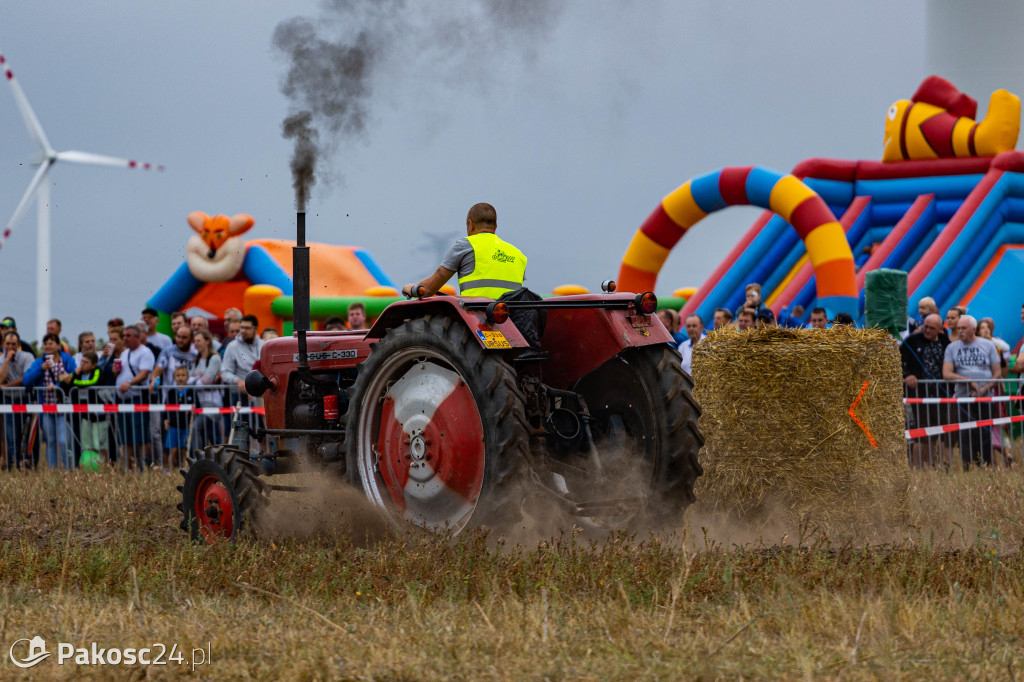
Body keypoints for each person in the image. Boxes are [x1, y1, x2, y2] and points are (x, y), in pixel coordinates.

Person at [401, 203, 544, 352]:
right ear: (495, 225)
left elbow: (429, 289)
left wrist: (411, 289)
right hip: (513, 325)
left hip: (479, 321)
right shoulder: (517, 254)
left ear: (470, 224)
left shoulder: (465, 246)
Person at [943, 314, 1000, 469]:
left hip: (985, 398)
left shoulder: (988, 346)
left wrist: (983, 389)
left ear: (973, 329)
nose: (960, 331)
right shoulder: (952, 347)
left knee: (985, 434)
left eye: (963, 328)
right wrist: (968, 381)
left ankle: (987, 466)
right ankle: (967, 467)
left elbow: (997, 373)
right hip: (963, 398)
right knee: (965, 434)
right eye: (958, 328)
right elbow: (946, 373)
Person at [900, 314, 951, 467]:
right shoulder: (912, 341)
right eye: (925, 326)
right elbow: (897, 361)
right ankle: (917, 468)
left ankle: (935, 466)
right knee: (921, 434)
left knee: (939, 433)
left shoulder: (944, 342)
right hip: (919, 395)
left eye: (931, 328)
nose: (927, 330)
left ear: (940, 330)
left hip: (941, 395)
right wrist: (907, 375)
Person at [22, 333, 76, 470]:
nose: (47, 346)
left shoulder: (67, 360)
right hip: (46, 408)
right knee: (50, 441)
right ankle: (53, 470)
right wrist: (41, 369)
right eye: (45, 343)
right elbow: (26, 380)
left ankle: (67, 469)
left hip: (63, 407)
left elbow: (73, 377)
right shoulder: (39, 362)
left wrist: (58, 387)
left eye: (51, 343)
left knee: (64, 441)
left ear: (58, 346)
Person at [114, 324, 155, 471]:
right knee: (127, 438)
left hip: (137, 400)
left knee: (141, 437)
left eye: (128, 335)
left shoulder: (145, 352)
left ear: (137, 336)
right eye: (124, 336)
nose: (125, 338)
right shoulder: (125, 353)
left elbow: (144, 373)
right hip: (123, 401)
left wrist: (129, 383)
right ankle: (130, 470)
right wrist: (115, 372)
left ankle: (145, 467)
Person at [66, 350, 109, 466]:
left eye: (86, 362)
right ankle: (90, 468)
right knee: (87, 446)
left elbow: (93, 383)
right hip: (84, 415)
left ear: (93, 365)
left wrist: (74, 381)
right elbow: (66, 384)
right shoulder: (78, 373)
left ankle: (105, 467)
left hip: (98, 416)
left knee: (99, 445)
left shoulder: (98, 372)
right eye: (82, 361)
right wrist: (75, 375)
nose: (82, 364)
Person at [0, 330, 35, 469]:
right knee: (11, 434)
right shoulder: (2, 359)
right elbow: (0, 379)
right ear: (3, 344)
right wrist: (7, 359)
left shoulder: (27, 356)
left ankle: (26, 462)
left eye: (13, 344)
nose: (11, 347)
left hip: (25, 399)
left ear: (18, 345)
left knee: (25, 434)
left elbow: (25, 379)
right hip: (9, 400)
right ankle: (15, 464)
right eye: (8, 344)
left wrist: (7, 386)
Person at [188, 329, 223, 449]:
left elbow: (206, 380)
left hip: (213, 403)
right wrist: (197, 379)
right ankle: (204, 461)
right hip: (200, 402)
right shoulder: (197, 360)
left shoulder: (214, 358)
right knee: (207, 433)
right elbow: (189, 380)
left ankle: (199, 459)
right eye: (195, 341)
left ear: (207, 341)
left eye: (199, 340)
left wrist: (195, 379)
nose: (196, 343)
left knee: (197, 429)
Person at [222, 314, 263, 394]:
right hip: (240, 394)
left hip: (260, 393)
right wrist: (238, 381)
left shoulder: (263, 344)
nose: (243, 331)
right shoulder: (232, 346)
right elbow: (225, 372)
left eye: (247, 328)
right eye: (242, 327)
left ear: (255, 329)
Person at [163, 365, 193, 470]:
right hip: (173, 426)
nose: (180, 377)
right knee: (173, 449)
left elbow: (196, 405)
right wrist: (165, 420)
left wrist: (190, 410)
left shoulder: (191, 391)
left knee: (184, 450)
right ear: (174, 378)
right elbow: (166, 407)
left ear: (188, 377)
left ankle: (184, 469)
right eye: (178, 375)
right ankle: (170, 470)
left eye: (183, 375)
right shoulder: (171, 392)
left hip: (186, 426)